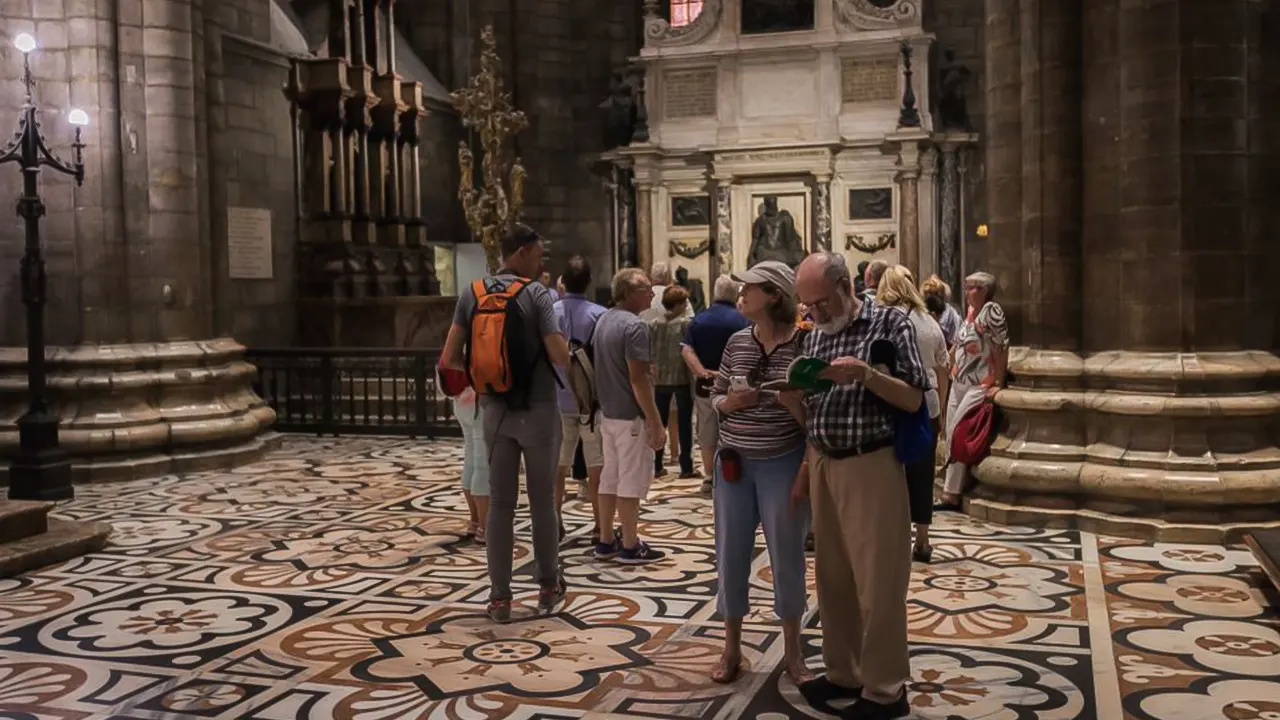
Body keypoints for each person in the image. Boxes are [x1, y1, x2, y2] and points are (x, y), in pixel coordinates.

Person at [791, 252, 928, 720]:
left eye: (822, 303)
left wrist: (867, 375)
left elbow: (914, 398)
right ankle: (843, 672)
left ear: (847, 286)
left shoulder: (888, 324)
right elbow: (811, 406)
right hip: (826, 461)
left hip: (872, 463)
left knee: (878, 583)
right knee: (834, 580)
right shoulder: (815, 337)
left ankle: (886, 690)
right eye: (807, 306)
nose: (815, 314)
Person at [441, 224, 571, 623]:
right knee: (542, 502)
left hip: (494, 412)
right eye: (539, 254)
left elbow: (449, 357)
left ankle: (500, 599)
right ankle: (548, 584)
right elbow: (560, 355)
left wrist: (488, 377)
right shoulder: (537, 294)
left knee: (499, 504)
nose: (541, 261)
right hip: (539, 410)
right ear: (523, 252)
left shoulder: (473, 293)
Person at [709, 261, 812, 686]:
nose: (741, 293)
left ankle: (793, 651)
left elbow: (817, 418)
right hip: (734, 462)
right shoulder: (736, 341)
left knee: (787, 555)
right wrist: (727, 405)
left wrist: (792, 404)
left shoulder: (804, 344)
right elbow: (716, 394)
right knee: (730, 554)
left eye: (749, 288)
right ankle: (731, 648)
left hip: (782, 462)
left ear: (772, 295)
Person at [875, 266, 950, 563]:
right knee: (922, 472)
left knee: (889, 473)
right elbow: (943, 370)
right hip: (927, 405)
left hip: (892, 403)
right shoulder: (929, 323)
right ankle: (922, 539)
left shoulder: (881, 320)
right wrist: (941, 411)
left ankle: (890, 536)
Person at [593, 268, 668, 564]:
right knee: (629, 482)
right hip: (630, 416)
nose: (651, 293)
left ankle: (605, 540)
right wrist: (655, 421)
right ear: (628, 292)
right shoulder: (635, 327)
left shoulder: (603, 320)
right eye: (646, 289)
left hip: (608, 413)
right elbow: (638, 379)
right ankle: (630, 544)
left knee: (609, 479)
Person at [936, 271, 1008, 511]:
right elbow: (959, 341)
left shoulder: (991, 312)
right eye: (966, 288)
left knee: (958, 429)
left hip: (979, 382)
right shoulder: (968, 314)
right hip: (959, 380)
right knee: (949, 429)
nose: (966, 293)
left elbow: (1001, 346)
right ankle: (951, 489)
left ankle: (951, 493)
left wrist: (998, 381)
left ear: (984, 291)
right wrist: (951, 360)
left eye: (972, 288)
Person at [553, 256, 607, 542]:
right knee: (596, 464)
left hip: (557, 398)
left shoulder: (550, 312)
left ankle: (555, 520)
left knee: (558, 465)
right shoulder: (599, 315)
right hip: (591, 402)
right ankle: (601, 524)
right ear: (589, 282)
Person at [682, 275, 751, 496]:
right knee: (735, 430)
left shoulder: (700, 319)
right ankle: (734, 474)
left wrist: (701, 372)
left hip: (706, 386)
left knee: (706, 431)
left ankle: (709, 476)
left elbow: (686, 349)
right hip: (735, 386)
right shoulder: (743, 320)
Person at [650, 286, 696, 479]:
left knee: (659, 423)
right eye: (684, 303)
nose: (686, 305)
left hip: (660, 379)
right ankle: (686, 466)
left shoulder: (654, 324)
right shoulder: (686, 324)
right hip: (681, 379)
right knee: (685, 424)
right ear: (676, 305)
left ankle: (656, 463)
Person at [452, 385, 490, 545]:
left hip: (460, 399)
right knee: (482, 465)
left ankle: (474, 520)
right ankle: (484, 526)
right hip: (479, 401)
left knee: (471, 460)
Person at [920, 274, 962, 347]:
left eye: (935, 294)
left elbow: (955, 342)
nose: (931, 298)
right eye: (928, 294)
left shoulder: (951, 314)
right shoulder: (920, 312)